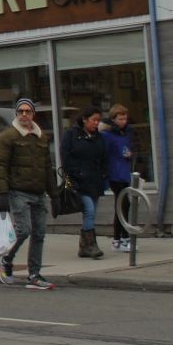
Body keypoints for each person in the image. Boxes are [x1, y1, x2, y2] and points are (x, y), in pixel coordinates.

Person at [0, 97, 58, 290]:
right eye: (20, 111)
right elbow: (0, 165)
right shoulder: (8, 136)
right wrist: (3, 194)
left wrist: (54, 195)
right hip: (17, 191)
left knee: (39, 233)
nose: (24, 114)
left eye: (27, 111)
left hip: (38, 192)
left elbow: (47, 167)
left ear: (33, 114)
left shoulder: (41, 137)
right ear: (16, 113)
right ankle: (7, 260)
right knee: (24, 230)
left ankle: (34, 274)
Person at [63, 107, 107, 260]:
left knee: (92, 212)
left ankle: (83, 245)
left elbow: (103, 157)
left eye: (98, 120)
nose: (96, 123)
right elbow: (65, 157)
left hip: (94, 180)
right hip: (79, 181)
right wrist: (74, 174)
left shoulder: (98, 137)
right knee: (88, 210)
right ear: (84, 119)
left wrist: (103, 174)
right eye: (94, 120)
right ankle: (91, 245)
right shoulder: (71, 135)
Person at [104, 103, 140, 251]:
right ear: (113, 119)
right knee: (123, 204)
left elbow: (132, 147)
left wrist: (131, 154)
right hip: (114, 173)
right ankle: (123, 238)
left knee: (122, 205)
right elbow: (104, 153)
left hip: (124, 171)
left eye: (124, 118)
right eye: (120, 119)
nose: (123, 121)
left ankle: (118, 239)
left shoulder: (127, 133)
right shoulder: (108, 135)